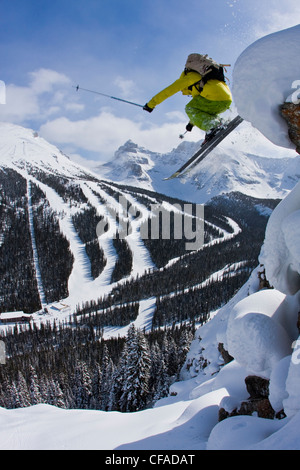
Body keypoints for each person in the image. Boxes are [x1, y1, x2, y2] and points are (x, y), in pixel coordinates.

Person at [143, 53, 232, 144]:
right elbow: (199, 110)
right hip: (226, 100)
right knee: (202, 110)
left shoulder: (191, 77)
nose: (183, 93)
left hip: (215, 98)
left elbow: (169, 90)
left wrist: (151, 104)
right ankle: (219, 123)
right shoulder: (203, 81)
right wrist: (191, 124)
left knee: (189, 108)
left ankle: (214, 127)